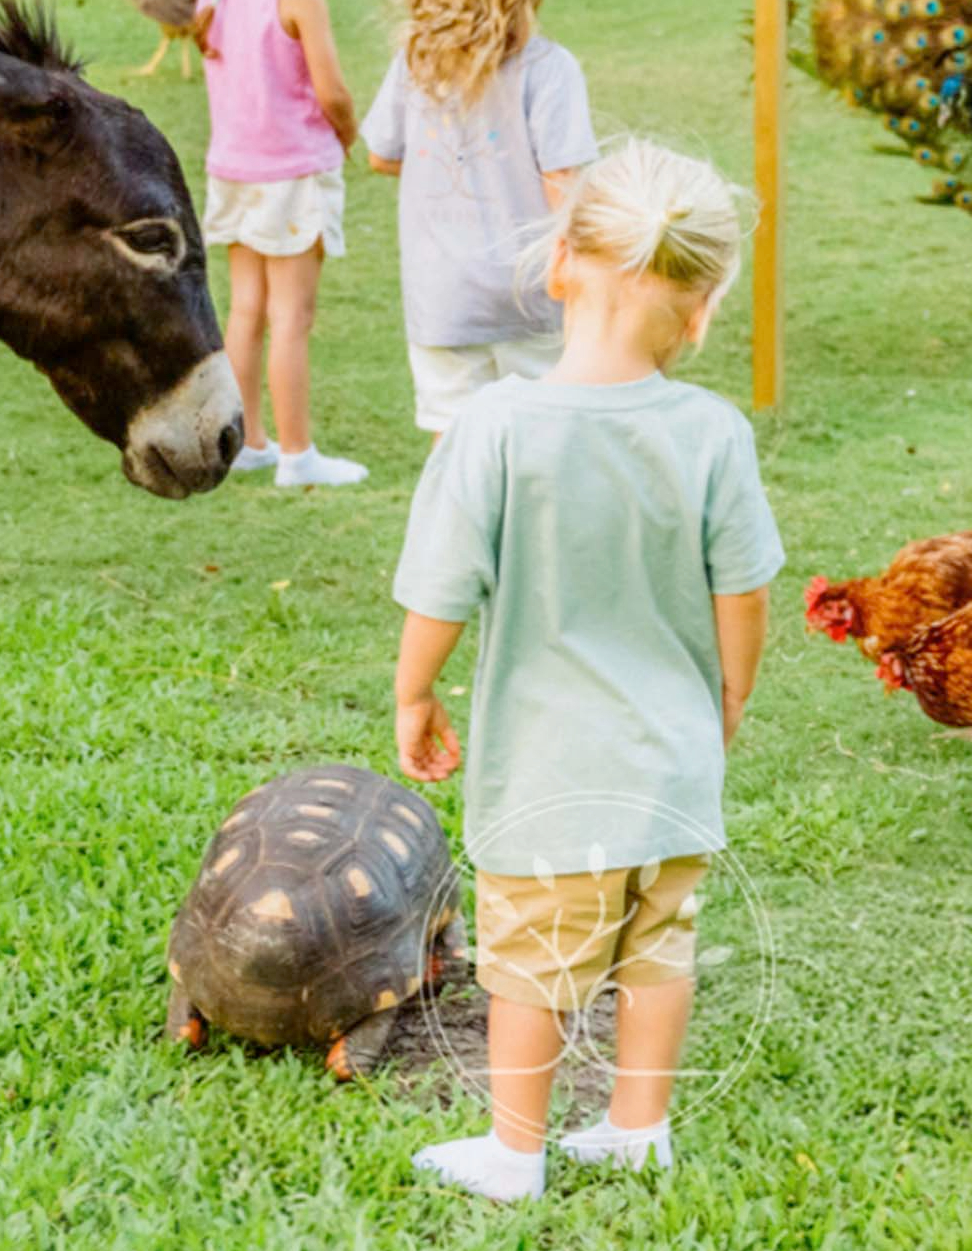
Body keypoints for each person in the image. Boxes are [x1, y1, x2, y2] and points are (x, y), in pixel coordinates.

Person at [388, 140, 780, 1203]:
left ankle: (515, 1150)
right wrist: (731, 693)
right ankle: (638, 1129)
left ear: (559, 262)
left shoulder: (495, 427)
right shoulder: (713, 432)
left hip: (548, 772)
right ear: (702, 310)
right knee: (660, 946)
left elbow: (441, 589)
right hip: (673, 764)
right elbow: (743, 592)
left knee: (530, 962)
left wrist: (414, 691)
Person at [361, 0, 598, 436]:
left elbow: (381, 155)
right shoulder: (550, 70)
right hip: (531, 300)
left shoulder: (416, 61)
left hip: (443, 302)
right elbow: (564, 192)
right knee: (540, 444)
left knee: (456, 454)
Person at [196, 0, 366, 489]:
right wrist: (349, 136)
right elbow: (333, 94)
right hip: (292, 175)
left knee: (247, 310)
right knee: (293, 316)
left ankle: (250, 442)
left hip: (234, 173)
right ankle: (297, 456)